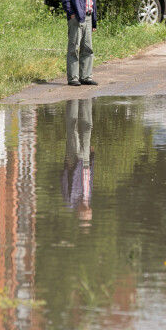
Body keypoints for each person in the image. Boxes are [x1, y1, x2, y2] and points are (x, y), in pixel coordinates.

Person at [62, 0, 98, 86]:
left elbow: (93, 2)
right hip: (76, 18)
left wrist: (94, 22)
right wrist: (71, 14)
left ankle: (86, 77)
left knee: (88, 48)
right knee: (74, 48)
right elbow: (66, 0)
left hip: (88, 17)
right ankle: (73, 78)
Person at [61, 99, 94, 231]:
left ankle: (72, 102)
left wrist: (67, 167)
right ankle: (86, 102)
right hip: (85, 164)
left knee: (72, 130)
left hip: (74, 163)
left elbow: (64, 181)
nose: (87, 207)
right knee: (87, 127)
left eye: (86, 210)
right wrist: (92, 158)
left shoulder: (70, 200)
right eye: (88, 210)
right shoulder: (88, 197)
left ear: (79, 212)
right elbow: (90, 180)